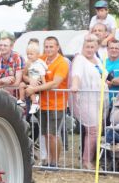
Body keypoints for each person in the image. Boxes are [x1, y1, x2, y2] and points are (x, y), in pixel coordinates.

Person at [23, 36, 69, 168]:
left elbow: (55, 83)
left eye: (51, 46)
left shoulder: (62, 63)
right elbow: (25, 73)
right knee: (45, 134)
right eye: (46, 46)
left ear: (57, 47)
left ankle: (55, 162)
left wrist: (35, 88)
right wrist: (30, 81)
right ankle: (48, 160)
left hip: (57, 104)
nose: (48, 49)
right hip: (42, 103)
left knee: (53, 134)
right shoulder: (40, 58)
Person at [69, 34, 105, 170]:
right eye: (87, 46)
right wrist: (75, 85)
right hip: (85, 98)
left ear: (96, 47)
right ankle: (86, 160)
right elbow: (76, 74)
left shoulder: (97, 59)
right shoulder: (80, 59)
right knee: (92, 130)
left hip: (98, 98)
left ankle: (91, 158)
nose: (89, 49)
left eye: (92, 46)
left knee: (95, 130)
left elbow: (101, 75)